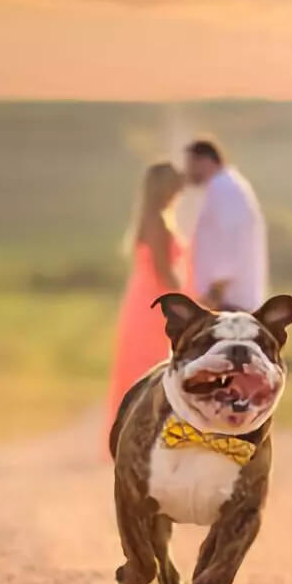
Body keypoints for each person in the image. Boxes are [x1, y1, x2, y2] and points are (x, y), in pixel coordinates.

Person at [106, 162, 190, 436]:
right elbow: (163, 271)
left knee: (147, 362)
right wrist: (188, 304)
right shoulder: (156, 221)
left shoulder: (152, 218)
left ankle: (144, 429)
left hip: (146, 296)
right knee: (151, 363)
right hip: (153, 299)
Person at [185, 139, 268, 312]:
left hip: (229, 301)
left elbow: (231, 242)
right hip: (226, 300)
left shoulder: (225, 189)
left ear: (204, 161)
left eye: (190, 164)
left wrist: (215, 293)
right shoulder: (223, 187)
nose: (188, 171)